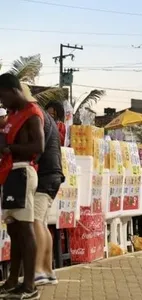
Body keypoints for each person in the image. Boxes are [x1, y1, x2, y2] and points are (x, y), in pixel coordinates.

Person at [0, 73, 44, 299]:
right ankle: (13, 281)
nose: (1, 102)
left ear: (12, 90)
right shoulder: (13, 115)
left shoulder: (31, 113)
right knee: (14, 229)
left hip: (22, 173)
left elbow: (39, 145)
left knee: (25, 229)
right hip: (10, 174)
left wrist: (10, 149)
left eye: (2, 96)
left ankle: (30, 285)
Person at [33, 105, 65, 286]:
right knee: (42, 223)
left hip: (45, 177)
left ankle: (39, 271)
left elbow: (36, 150)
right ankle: (47, 271)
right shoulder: (49, 121)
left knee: (36, 221)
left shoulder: (37, 117)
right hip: (53, 176)